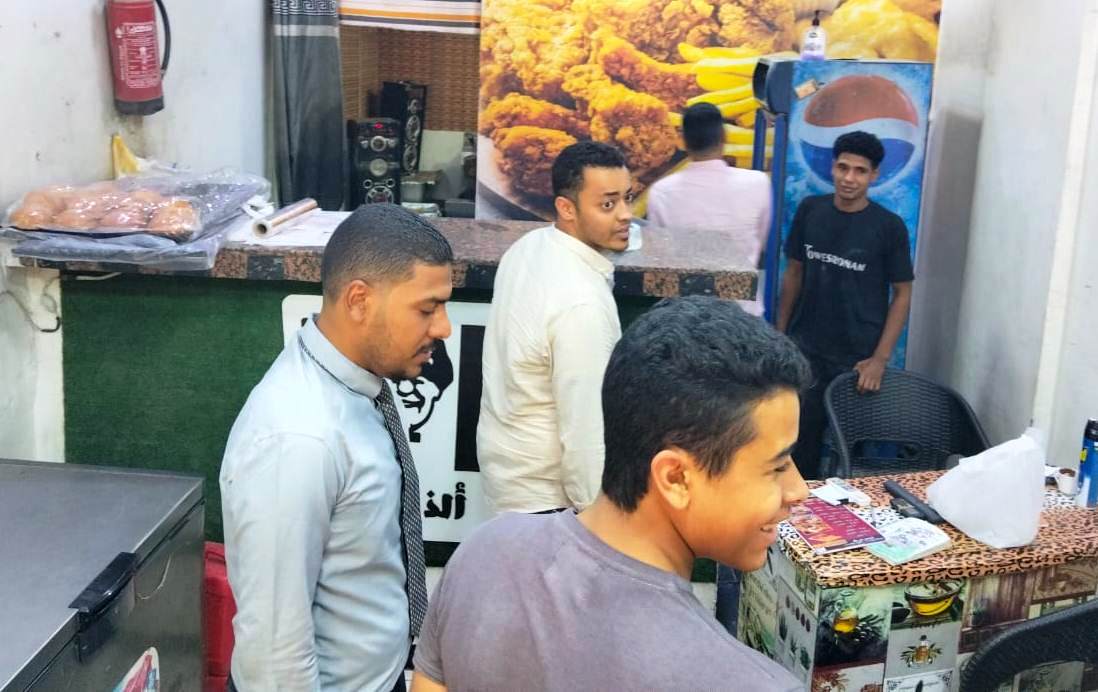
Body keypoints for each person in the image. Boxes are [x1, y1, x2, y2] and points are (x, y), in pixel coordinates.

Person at [412, 296, 810, 692]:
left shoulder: (484, 553)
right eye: (776, 467)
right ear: (675, 478)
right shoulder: (750, 683)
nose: (799, 490)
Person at [220, 204, 454, 691]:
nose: (443, 328)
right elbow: (274, 660)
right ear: (359, 301)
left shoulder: (355, 384)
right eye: (427, 309)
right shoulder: (299, 437)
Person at [477, 140, 633, 514]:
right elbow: (585, 433)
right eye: (608, 204)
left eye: (628, 198)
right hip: (550, 500)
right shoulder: (582, 305)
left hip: (506, 481)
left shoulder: (527, 247)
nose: (626, 215)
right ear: (566, 208)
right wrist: (598, 521)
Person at [776, 130, 915, 479]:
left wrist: (879, 360)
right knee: (798, 448)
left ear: (874, 175)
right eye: (843, 167)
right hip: (806, 351)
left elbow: (902, 293)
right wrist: (780, 336)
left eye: (860, 171)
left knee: (849, 455)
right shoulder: (810, 210)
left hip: (856, 361)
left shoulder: (889, 227)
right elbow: (793, 273)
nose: (849, 178)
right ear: (833, 167)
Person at [646, 102, 771, 315]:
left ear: (683, 140)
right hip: (744, 316)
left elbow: (658, 262)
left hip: (686, 317)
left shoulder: (662, 192)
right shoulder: (758, 183)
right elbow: (763, 242)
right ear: (724, 136)